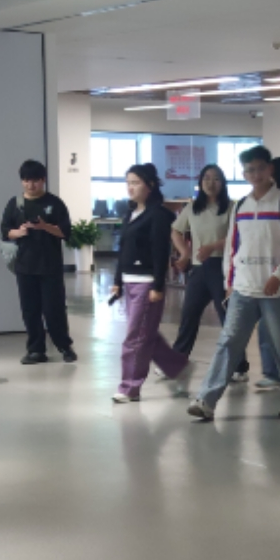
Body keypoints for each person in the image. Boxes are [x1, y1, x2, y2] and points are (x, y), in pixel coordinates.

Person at [187, 146, 280, 422]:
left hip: (275, 291)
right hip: (243, 289)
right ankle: (206, 400)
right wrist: (230, 282)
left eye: (260, 168)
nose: (255, 174)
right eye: (250, 170)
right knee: (228, 342)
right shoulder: (242, 206)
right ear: (244, 174)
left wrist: (279, 275)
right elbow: (233, 247)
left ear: (270, 169)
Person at [108, 162, 180, 403]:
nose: (130, 187)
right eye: (128, 183)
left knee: (135, 337)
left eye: (136, 183)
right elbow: (123, 250)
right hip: (129, 280)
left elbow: (160, 252)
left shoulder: (158, 215)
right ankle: (177, 367)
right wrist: (117, 281)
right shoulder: (130, 213)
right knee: (144, 332)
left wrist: (158, 286)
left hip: (147, 282)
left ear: (150, 185)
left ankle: (130, 387)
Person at [0, 158, 78, 363]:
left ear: (43, 180)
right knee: (30, 310)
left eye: (35, 180)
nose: (30, 185)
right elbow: (5, 232)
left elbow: (65, 232)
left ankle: (64, 346)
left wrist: (45, 226)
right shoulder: (14, 204)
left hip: (50, 265)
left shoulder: (54, 203)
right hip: (24, 266)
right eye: (26, 180)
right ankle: (36, 349)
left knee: (54, 309)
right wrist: (19, 231)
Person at [165, 164, 235, 371]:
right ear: (200, 182)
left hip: (222, 268)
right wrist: (185, 252)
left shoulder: (232, 207)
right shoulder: (192, 208)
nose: (210, 183)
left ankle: (239, 366)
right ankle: (176, 360)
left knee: (228, 318)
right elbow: (175, 231)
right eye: (206, 178)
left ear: (223, 183)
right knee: (189, 316)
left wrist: (212, 246)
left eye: (216, 178)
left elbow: (237, 236)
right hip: (199, 268)